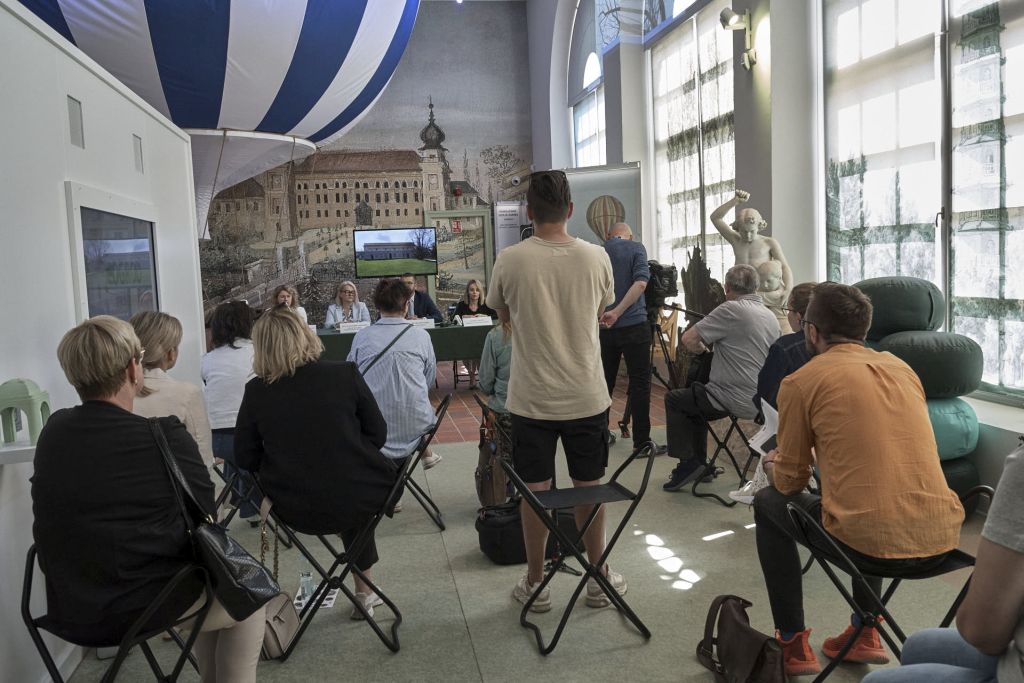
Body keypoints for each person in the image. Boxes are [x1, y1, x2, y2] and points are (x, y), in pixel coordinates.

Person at [31, 316, 264, 683]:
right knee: (247, 598)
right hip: (147, 602)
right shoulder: (163, 435)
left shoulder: (53, 434)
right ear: (133, 369)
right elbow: (205, 511)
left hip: (71, 605)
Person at [752, 282, 965, 677]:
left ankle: (793, 641)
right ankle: (866, 630)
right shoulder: (903, 369)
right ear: (863, 331)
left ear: (811, 331)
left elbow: (791, 482)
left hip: (868, 544)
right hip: (944, 540)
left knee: (768, 504)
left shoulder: (801, 381)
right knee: (868, 498)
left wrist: (771, 467)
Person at [487, 169, 622, 613]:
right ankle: (598, 578)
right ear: (569, 210)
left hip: (531, 397)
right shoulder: (596, 257)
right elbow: (599, 308)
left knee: (534, 491)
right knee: (590, 487)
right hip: (586, 392)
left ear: (529, 212)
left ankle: (535, 581)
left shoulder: (511, 258)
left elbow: (502, 312)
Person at [234, 307, 397, 618]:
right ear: (305, 335)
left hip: (294, 506)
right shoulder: (343, 374)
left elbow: (245, 457)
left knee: (341, 486)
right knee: (351, 490)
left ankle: (363, 592)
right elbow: (378, 434)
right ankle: (364, 593)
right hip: (359, 495)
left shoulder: (256, 392)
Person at [862, 440, 1024, 683]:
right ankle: (861, 628)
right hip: (938, 535)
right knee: (917, 646)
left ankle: (792, 635)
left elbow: (981, 632)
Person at [662, 264, 780, 491]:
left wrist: (705, 353)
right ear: (756, 288)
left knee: (675, 399)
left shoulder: (730, 309)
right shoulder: (770, 316)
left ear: (727, 288)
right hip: (762, 403)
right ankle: (699, 464)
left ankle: (688, 464)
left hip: (732, 399)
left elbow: (689, 340)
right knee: (694, 401)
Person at [349, 278, 442, 471]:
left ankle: (391, 490)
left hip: (374, 427)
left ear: (377, 306)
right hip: (416, 423)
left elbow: (353, 378)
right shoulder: (422, 337)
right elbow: (428, 379)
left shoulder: (362, 337)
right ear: (407, 305)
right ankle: (399, 483)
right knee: (408, 403)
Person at [130, 311, 214, 467]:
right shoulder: (188, 394)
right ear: (171, 353)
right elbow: (202, 459)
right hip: (174, 487)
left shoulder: (115, 394)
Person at [598, 222, 653, 458]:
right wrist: (619, 311)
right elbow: (641, 282)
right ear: (629, 236)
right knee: (640, 384)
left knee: (603, 385)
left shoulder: (598, 251)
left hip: (604, 328)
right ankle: (641, 443)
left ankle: (601, 437)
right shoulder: (636, 248)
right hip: (634, 325)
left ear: (609, 235)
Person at [201, 301, 258, 525]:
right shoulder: (256, 353)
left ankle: (234, 494)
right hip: (248, 438)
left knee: (235, 462)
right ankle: (249, 506)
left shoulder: (208, 359)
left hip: (215, 441)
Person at [711, 190, 793, 325]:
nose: (748, 236)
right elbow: (715, 218)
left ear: (759, 226)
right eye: (744, 231)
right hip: (743, 295)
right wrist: (735, 201)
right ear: (738, 228)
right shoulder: (736, 240)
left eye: (752, 231)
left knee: (778, 326)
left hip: (766, 293)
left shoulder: (769, 242)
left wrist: (789, 287)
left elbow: (784, 266)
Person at [753, 282, 816, 413]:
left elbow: (764, 399)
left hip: (790, 423)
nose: (786, 315)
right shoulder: (837, 343)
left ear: (798, 316)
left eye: (788, 310)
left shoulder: (784, 347)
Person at [478, 319, 513, 461]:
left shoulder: (496, 335)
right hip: (539, 411)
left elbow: (486, 382)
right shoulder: (542, 330)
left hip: (505, 408)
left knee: (504, 463)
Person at [454, 279, 497, 387]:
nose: (474, 292)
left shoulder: (486, 304)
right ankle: (471, 374)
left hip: (482, 338)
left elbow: (496, 316)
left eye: (477, 290)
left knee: (479, 349)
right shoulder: (461, 305)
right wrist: (464, 317)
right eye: (472, 290)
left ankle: (481, 376)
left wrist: (484, 316)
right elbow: (454, 318)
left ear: (480, 292)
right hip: (465, 339)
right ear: (467, 292)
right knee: (466, 350)